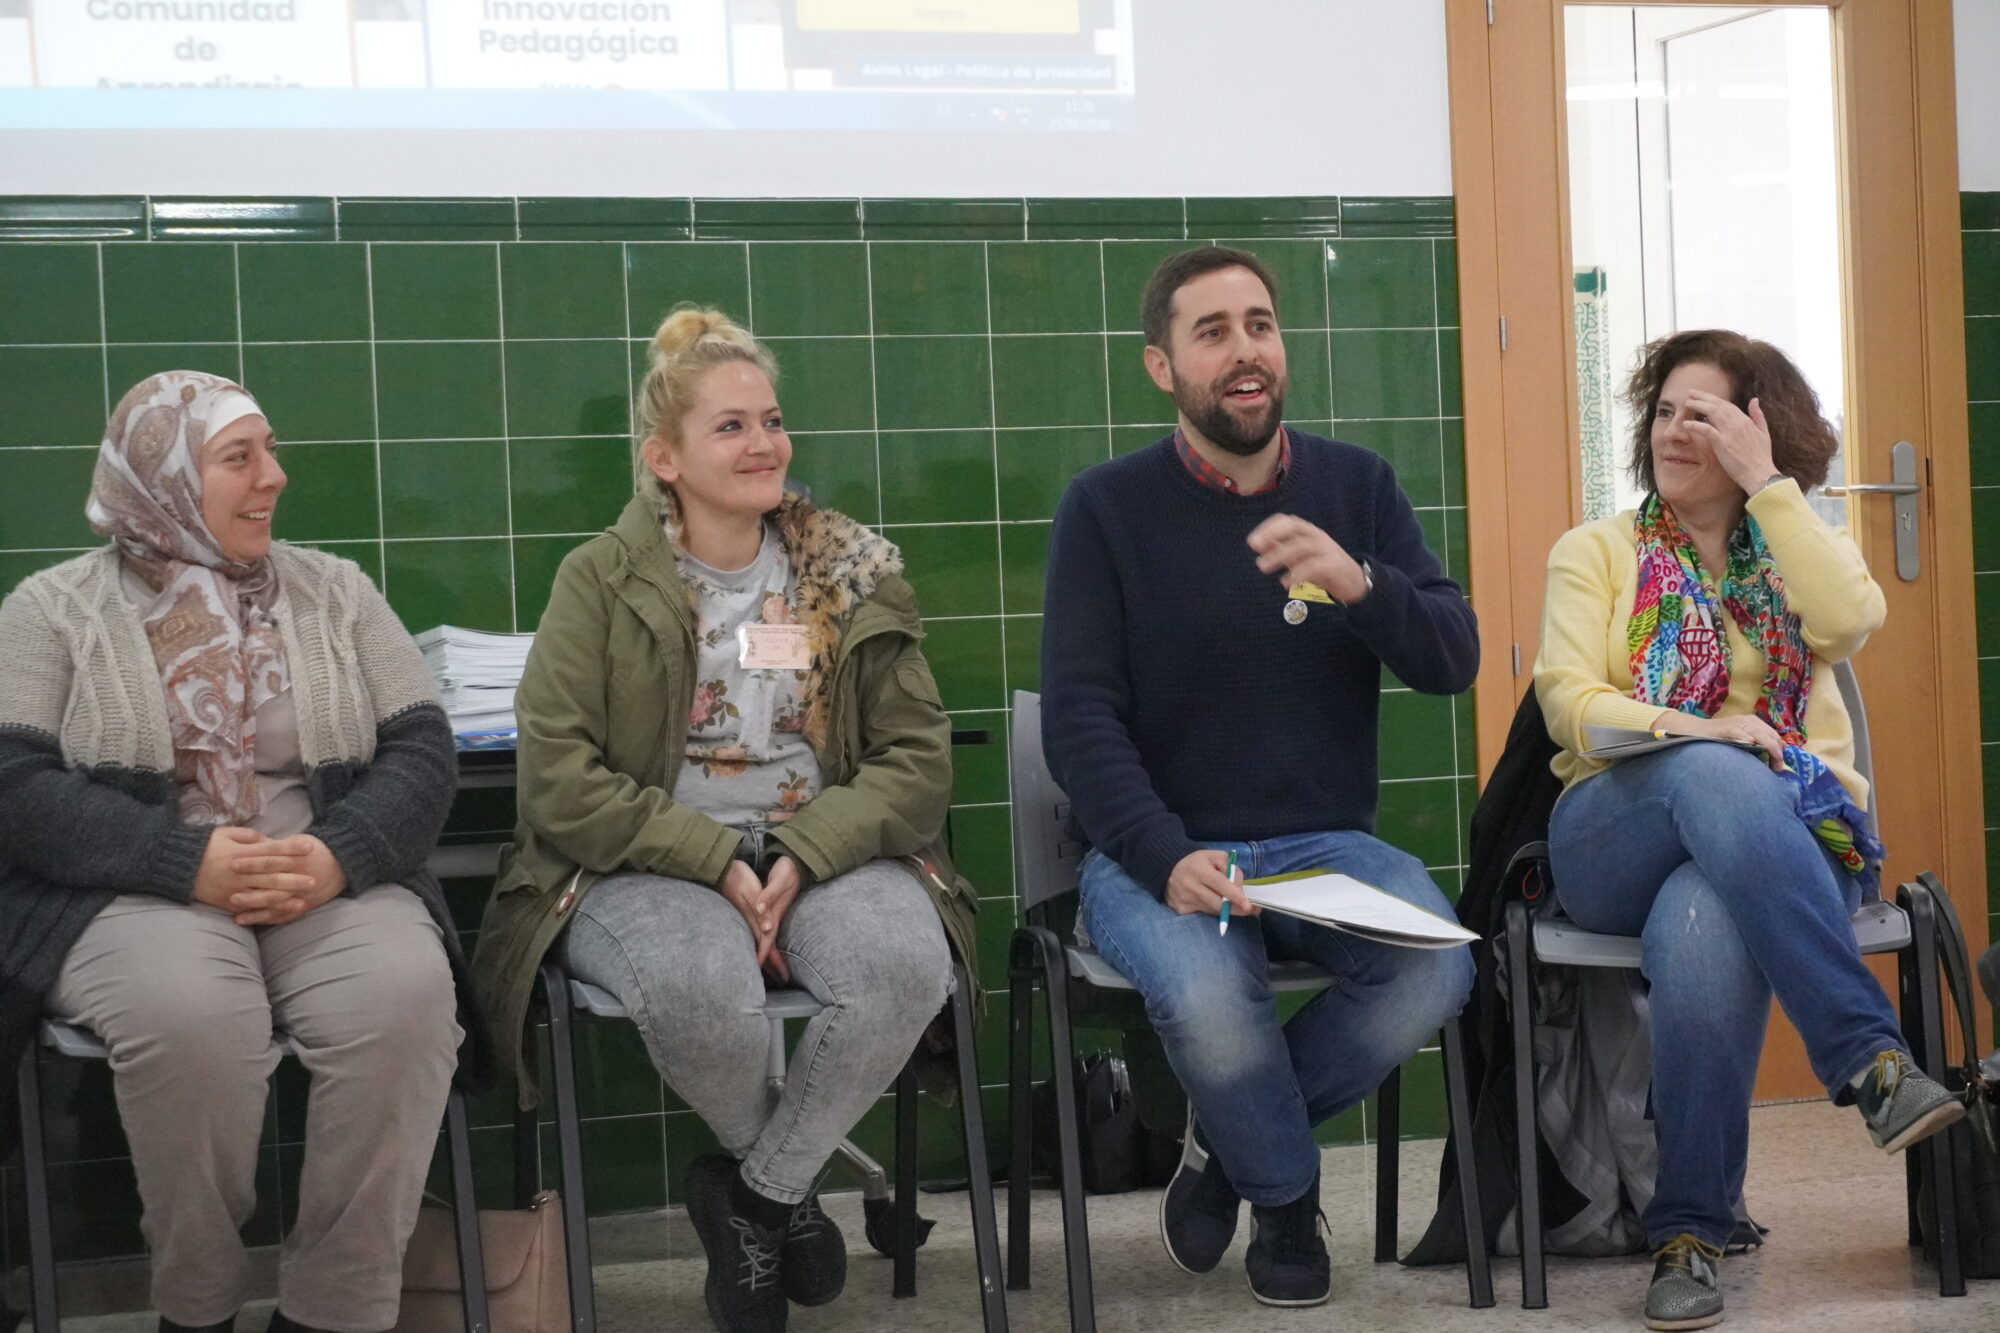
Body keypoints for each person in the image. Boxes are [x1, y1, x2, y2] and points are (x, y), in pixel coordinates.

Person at [472, 307, 971, 1333]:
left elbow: (917, 763)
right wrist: (713, 858)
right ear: (664, 458)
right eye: (731, 426)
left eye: (772, 421)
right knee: (700, 985)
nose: (764, 444)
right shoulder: (598, 580)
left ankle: (755, 1199)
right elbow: (558, 781)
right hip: (640, 861)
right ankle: (784, 1194)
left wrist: (800, 855)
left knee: (903, 969)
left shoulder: (850, 573)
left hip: (822, 848)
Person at [1039, 246, 1479, 1307]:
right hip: (1160, 849)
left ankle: (1229, 1149)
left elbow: (1451, 658)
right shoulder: (1104, 508)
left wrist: (1359, 582)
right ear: (1161, 367)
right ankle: (1283, 1197)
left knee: (1437, 966)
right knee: (1208, 993)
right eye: (1212, 332)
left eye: (1260, 325)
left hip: (1324, 846)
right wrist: (1162, 854)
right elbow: (1078, 720)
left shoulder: (1356, 487)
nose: (1245, 351)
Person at [0, 371, 482, 1333]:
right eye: (239, 457)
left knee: (405, 1000)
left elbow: (424, 748)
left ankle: (333, 1311)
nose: (274, 475)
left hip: (322, 876)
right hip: (133, 890)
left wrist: (342, 852)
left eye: (270, 450)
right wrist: (181, 860)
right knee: (192, 1019)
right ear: (165, 479)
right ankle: (199, 1305)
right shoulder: (51, 609)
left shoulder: (336, 590)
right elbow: (15, 785)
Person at [1534, 329, 1964, 1331]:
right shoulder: (1595, 550)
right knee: (1715, 767)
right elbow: (1568, 704)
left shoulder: (1793, 544)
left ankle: (1688, 1232)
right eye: (1664, 411)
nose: (1674, 430)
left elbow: (1850, 620)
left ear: (1757, 432)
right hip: (1612, 833)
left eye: (1705, 415)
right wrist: (1702, 729)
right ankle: (1866, 1054)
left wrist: (1769, 487)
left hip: (1785, 839)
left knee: (1704, 918)